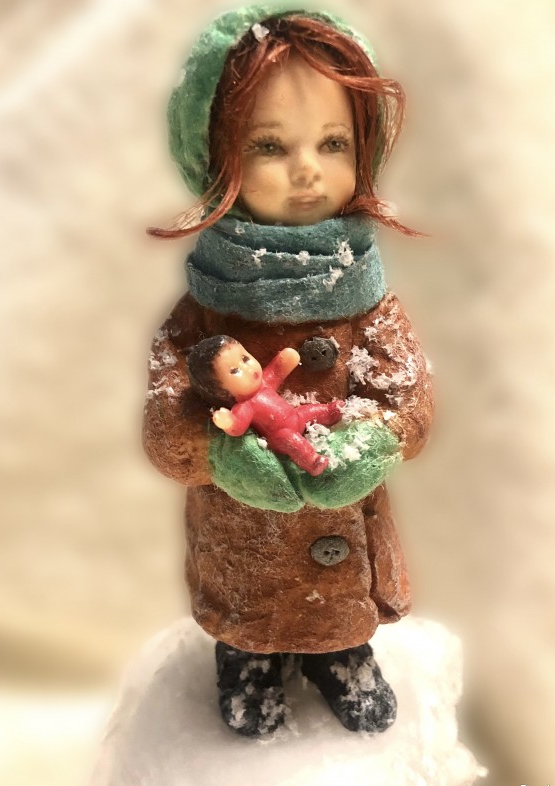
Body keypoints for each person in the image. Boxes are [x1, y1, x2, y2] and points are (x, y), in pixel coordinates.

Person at [143, 7, 434, 737]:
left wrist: (379, 437)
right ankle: (249, 656)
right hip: (243, 539)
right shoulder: (203, 311)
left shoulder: (369, 299)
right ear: (214, 159)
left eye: (333, 143)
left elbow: (407, 396)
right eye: (269, 145)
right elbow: (166, 424)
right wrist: (217, 453)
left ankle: (341, 650)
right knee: (250, 611)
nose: (308, 169)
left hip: (343, 534)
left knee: (339, 610)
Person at [187, 335, 344, 476]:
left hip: (295, 415)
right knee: (293, 441)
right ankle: (312, 461)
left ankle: (331, 412)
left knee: (310, 410)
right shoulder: (244, 406)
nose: (248, 369)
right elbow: (238, 427)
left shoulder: (264, 383)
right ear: (222, 391)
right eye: (235, 371)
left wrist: (284, 361)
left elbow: (276, 373)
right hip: (280, 435)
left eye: (245, 358)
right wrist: (228, 422)